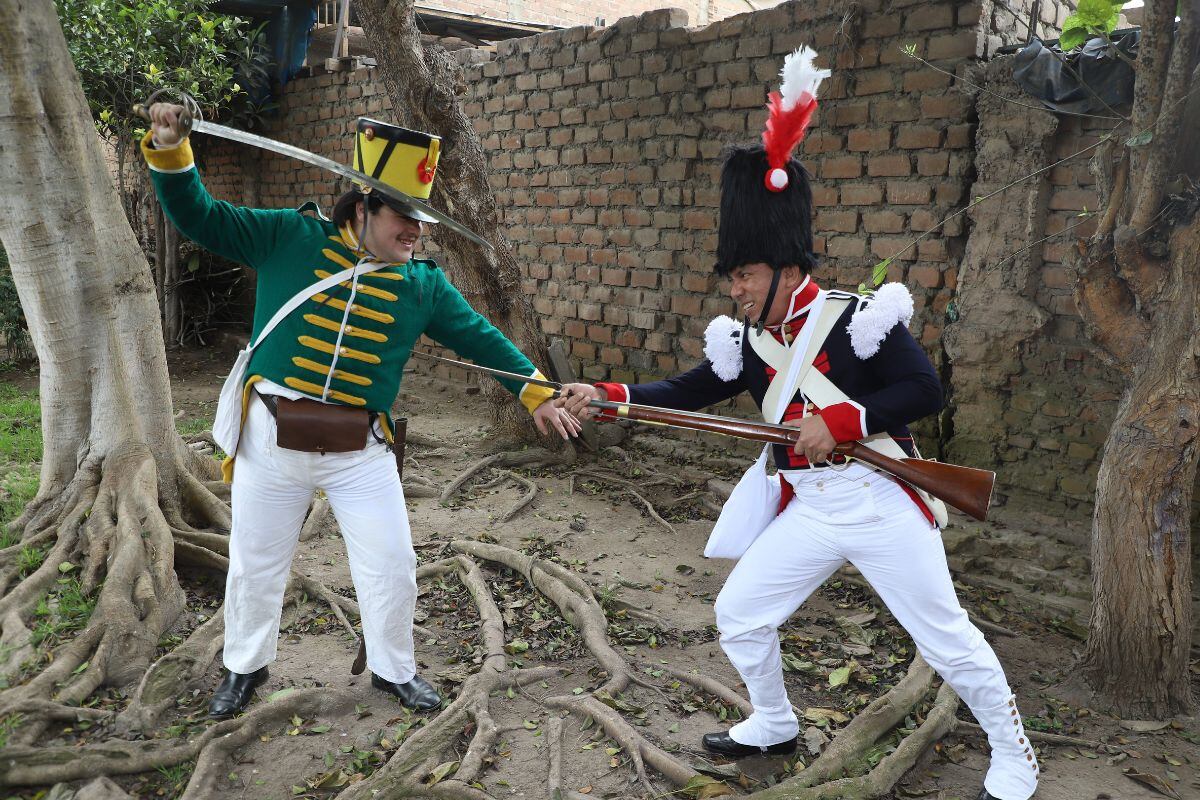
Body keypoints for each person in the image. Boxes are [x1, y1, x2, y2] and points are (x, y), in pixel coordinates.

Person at [557, 49, 1037, 800]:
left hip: (882, 501)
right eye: (734, 279)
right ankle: (774, 722)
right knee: (740, 615)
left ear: (782, 265)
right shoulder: (747, 339)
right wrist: (609, 393)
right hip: (809, 508)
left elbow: (923, 389)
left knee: (946, 638)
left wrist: (845, 420)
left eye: (744, 276)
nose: (737, 290)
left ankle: (1015, 753)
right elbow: (687, 390)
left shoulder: (857, 320)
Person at [143, 104, 580, 718]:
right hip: (271, 437)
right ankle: (243, 668)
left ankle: (392, 669)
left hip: (360, 449)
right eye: (405, 218)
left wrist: (535, 393)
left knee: (393, 563)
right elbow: (200, 216)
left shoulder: (423, 284)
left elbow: (481, 338)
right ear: (364, 207)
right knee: (254, 564)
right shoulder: (288, 236)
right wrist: (170, 149)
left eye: (421, 222)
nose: (416, 233)